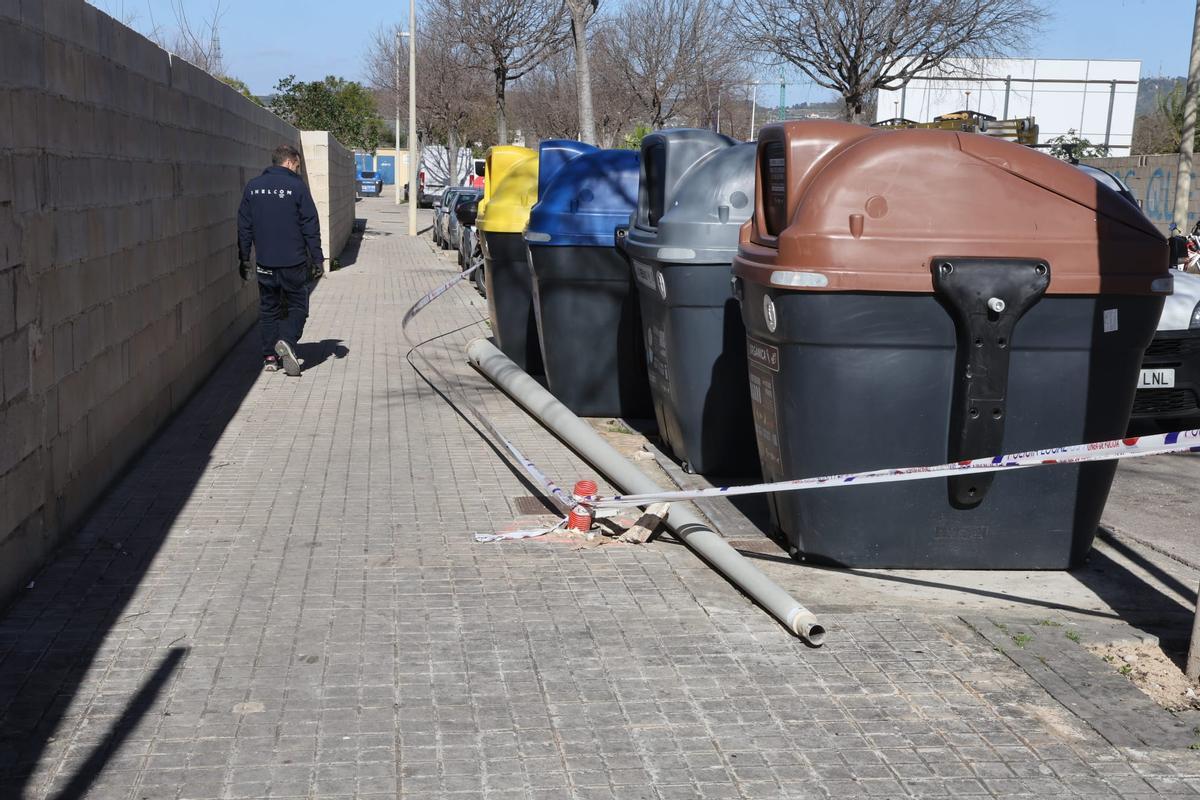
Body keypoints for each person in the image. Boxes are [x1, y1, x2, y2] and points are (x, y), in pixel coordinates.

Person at [237, 144, 324, 376]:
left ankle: (269, 358)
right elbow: (310, 225)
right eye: (297, 165)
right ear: (289, 162)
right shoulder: (297, 187)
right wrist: (317, 259)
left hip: (265, 263)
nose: (298, 169)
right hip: (293, 262)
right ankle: (286, 340)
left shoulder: (253, 187)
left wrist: (244, 258)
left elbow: (244, 226)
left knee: (269, 310)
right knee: (298, 306)